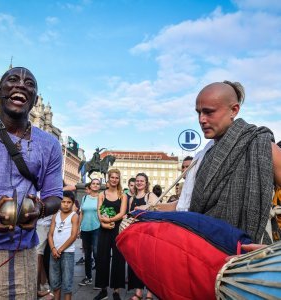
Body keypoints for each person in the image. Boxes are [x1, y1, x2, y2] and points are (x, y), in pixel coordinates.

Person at [143, 81, 281, 244]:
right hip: (203, 250)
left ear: (234, 110)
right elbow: (186, 205)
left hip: (249, 259)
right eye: (199, 112)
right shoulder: (202, 156)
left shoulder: (262, 147)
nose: (201, 119)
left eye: (209, 112)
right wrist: (151, 209)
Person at [0, 67, 63, 299]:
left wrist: (41, 209)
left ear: (34, 100)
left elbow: (55, 195)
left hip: (20, 253)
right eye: (13, 80)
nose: (21, 85)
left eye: (29, 83)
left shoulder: (49, 145)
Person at [94, 169, 127, 300]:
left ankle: (116, 291)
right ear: (108, 178)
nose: (114, 180)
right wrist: (103, 222)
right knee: (102, 258)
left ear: (119, 179)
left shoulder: (123, 195)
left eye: (116, 178)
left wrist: (109, 220)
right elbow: (99, 210)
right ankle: (103, 290)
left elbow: (122, 212)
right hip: (104, 229)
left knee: (118, 259)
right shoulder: (102, 194)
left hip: (117, 229)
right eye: (112, 177)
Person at [128, 173, 158, 300]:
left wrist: (143, 207)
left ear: (146, 183)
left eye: (142, 181)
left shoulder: (150, 195)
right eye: (137, 181)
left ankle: (150, 294)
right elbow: (130, 214)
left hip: (148, 233)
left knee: (149, 265)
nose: (139, 183)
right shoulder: (131, 198)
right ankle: (138, 292)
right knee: (136, 264)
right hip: (135, 234)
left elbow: (157, 209)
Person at [48, 191, 78, 300]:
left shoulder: (74, 216)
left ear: (73, 203)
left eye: (69, 202)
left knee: (67, 283)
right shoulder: (55, 216)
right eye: (63, 202)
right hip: (54, 252)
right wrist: (53, 249)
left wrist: (60, 250)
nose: (66, 204)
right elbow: (50, 234)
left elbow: (73, 236)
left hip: (67, 252)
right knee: (55, 281)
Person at [78, 178, 101, 286]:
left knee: (96, 253)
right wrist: (79, 227)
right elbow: (81, 213)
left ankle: (100, 279)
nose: (95, 185)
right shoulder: (85, 197)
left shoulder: (101, 197)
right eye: (93, 183)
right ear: (90, 186)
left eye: (97, 184)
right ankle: (88, 277)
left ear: (99, 186)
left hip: (97, 228)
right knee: (87, 255)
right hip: (85, 228)